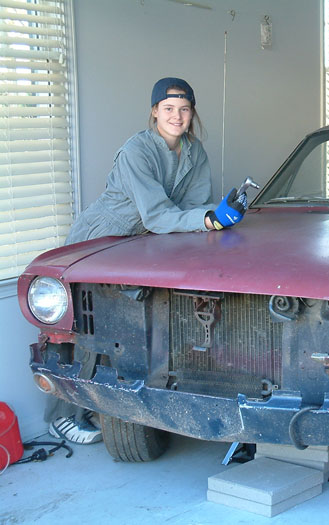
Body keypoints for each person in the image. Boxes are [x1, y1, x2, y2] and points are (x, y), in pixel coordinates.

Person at [48, 77, 248, 444]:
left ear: (192, 113)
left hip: (142, 247)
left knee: (130, 331)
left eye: (184, 109)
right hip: (100, 243)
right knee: (87, 330)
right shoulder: (135, 151)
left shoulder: (195, 151)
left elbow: (192, 208)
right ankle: (64, 415)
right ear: (155, 111)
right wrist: (208, 220)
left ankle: (121, 408)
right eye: (169, 109)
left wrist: (220, 212)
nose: (177, 116)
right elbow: (159, 215)